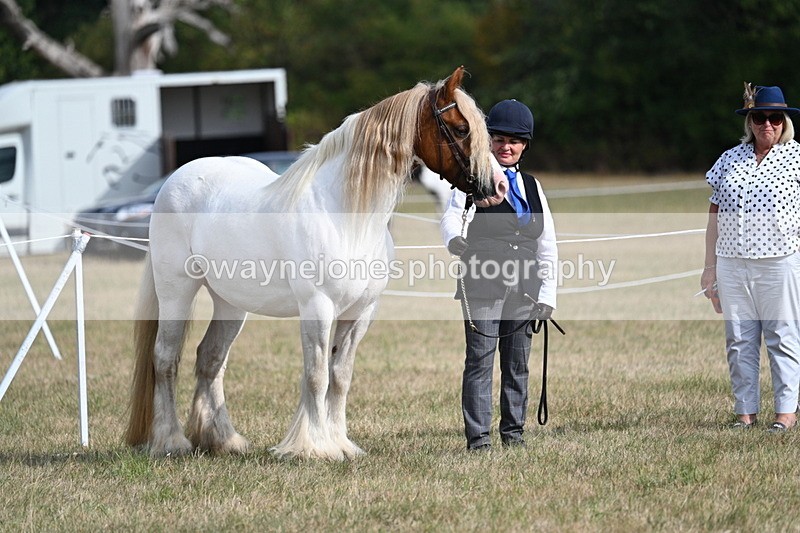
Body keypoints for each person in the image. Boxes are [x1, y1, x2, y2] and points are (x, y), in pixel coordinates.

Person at [440, 99, 558, 450]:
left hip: (525, 287)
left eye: (515, 141)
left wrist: (547, 295)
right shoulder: (473, 178)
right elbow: (450, 215)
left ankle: (514, 434)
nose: (507, 147)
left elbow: (547, 243)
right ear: (488, 140)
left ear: (525, 146)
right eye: (500, 139)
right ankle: (479, 440)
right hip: (483, 284)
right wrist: (454, 240)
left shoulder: (534, 187)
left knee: (517, 363)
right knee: (480, 361)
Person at [701, 84, 800, 432]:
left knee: (782, 334)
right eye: (760, 117)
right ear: (750, 120)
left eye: (775, 117)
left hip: (779, 259)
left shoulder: (796, 158)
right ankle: (745, 412)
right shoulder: (730, 158)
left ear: (784, 121)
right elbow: (714, 212)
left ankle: (786, 412)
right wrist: (709, 267)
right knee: (739, 338)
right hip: (732, 260)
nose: (767, 124)